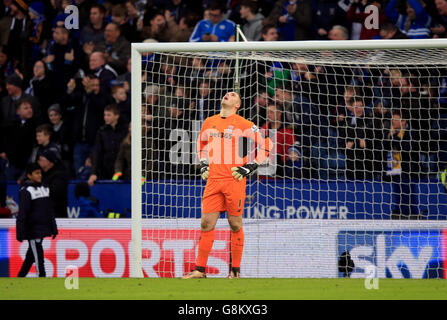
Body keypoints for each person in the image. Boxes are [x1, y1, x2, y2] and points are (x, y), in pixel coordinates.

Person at [182, 91, 273, 279]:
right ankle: (200, 270)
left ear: (237, 105)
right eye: (226, 93)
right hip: (213, 180)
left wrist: (250, 167)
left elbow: (267, 144)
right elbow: (202, 147)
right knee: (206, 224)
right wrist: (204, 164)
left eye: (232, 95)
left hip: (234, 180)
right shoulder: (209, 121)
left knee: (234, 223)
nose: (227, 95)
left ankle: (235, 271)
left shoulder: (244, 124)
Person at [16, 163, 58, 277]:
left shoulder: (45, 189)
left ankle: (20, 277)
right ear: (29, 175)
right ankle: (42, 277)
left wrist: (53, 227)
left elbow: (49, 210)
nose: (40, 175)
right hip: (33, 230)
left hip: (42, 228)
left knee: (31, 256)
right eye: (37, 173)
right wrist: (20, 231)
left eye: (40, 173)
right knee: (38, 256)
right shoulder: (26, 191)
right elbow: (23, 213)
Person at [88, 104, 128, 186]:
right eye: (105, 115)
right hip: (105, 170)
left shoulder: (125, 130)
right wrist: (93, 173)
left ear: (117, 116)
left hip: (123, 171)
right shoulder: (101, 131)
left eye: (109, 115)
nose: (105, 117)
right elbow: (97, 152)